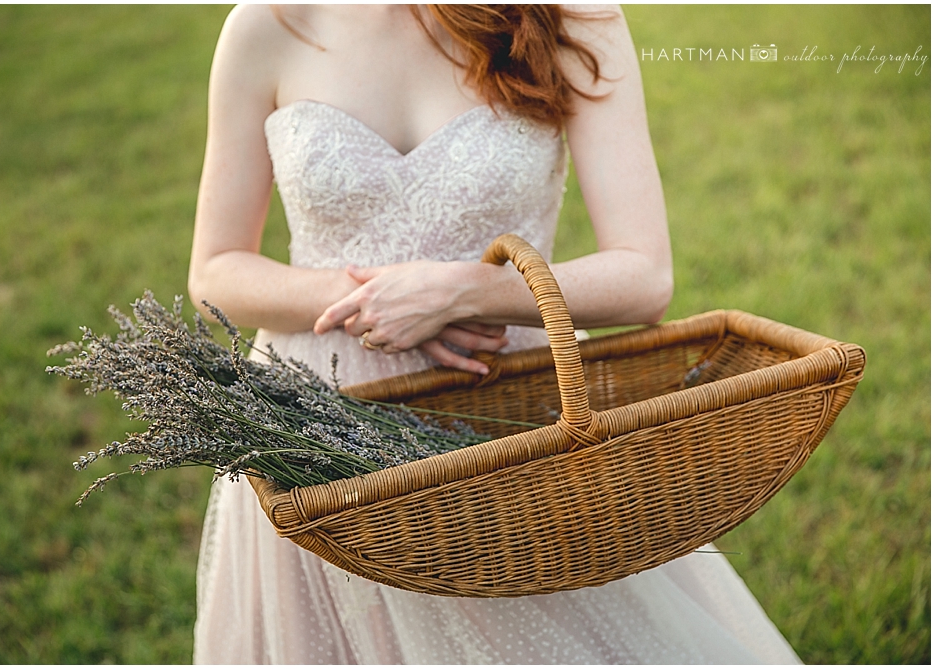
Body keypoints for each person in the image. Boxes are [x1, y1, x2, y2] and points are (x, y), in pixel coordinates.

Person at [187, 4, 802, 663]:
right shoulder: (268, 24)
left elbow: (645, 273)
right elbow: (215, 271)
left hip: (508, 409)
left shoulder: (571, 19)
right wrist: (375, 299)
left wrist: (467, 291)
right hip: (316, 426)